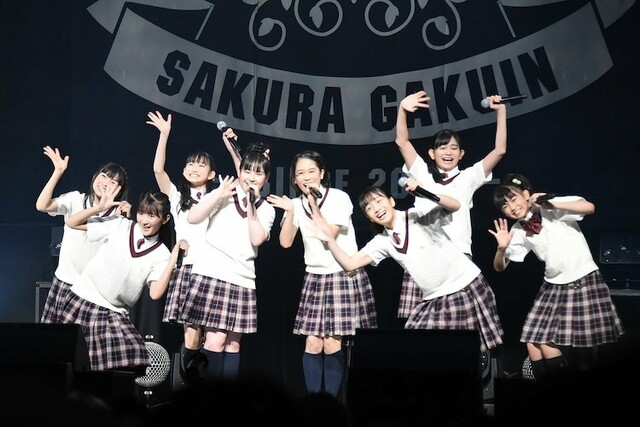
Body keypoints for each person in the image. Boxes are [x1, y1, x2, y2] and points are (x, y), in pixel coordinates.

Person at [312, 185, 504, 356]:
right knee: (419, 349)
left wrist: (423, 191)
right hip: (435, 299)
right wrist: (330, 241)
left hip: (464, 287)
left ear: (391, 201)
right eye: (369, 208)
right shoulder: (383, 241)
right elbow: (350, 264)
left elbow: (455, 205)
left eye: (379, 201)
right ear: (369, 217)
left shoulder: (416, 216)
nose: (376, 208)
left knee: (465, 356)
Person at [488, 173, 624, 380]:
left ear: (526, 194)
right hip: (553, 284)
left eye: (513, 199)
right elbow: (499, 267)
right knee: (533, 343)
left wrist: (551, 203)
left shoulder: (551, 206)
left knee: (573, 347)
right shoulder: (518, 230)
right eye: (505, 206)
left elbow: (589, 207)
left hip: (581, 278)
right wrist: (501, 248)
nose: (512, 207)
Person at [266, 150, 378, 397]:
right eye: (300, 173)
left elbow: (328, 233)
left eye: (311, 171)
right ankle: (315, 402)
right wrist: (291, 212)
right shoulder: (296, 204)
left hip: (341, 274)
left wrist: (312, 202)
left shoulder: (338, 197)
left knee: (331, 342)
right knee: (313, 342)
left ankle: (331, 403)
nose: (306, 177)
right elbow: (285, 242)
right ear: (295, 179)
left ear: (322, 173)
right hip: (315, 277)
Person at [394, 91, 507, 319]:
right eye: (442, 147)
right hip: (424, 256)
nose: (448, 152)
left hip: (457, 256)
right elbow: (402, 141)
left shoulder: (468, 177)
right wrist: (402, 109)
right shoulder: (422, 173)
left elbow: (499, 151)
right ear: (432, 153)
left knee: (459, 323)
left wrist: (501, 111)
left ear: (461, 153)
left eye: (454, 148)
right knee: (420, 325)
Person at [60, 188, 185, 373]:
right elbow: (72, 222)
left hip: (113, 312)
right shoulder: (121, 225)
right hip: (83, 300)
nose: (144, 220)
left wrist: (172, 260)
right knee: (71, 361)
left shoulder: (161, 254)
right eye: (141, 213)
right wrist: (99, 208)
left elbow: (155, 293)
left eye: (151, 216)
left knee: (134, 359)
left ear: (165, 219)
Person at [184, 138, 275, 381]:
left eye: (258, 173)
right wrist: (218, 196)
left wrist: (252, 205)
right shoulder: (225, 193)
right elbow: (193, 217)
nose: (251, 177)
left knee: (233, 344)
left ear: (266, 178)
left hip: (242, 278)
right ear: (240, 171)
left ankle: (227, 400)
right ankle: (209, 397)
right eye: (247, 171)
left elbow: (256, 238)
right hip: (213, 273)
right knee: (215, 340)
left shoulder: (266, 208)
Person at [146, 111, 218, 382]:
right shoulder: (177, 197)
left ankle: (212, 386)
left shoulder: (218, 196)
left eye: (201, 165)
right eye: (190, 164)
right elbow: (158, 171)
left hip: (214, 269)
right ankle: (189, 387)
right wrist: (164, 135)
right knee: (191, 334)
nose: (194, 167)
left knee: (214, 336)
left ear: (211, 174)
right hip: (188, 267)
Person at [36, 145, 129, 324]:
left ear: (120, 189)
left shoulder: (117, 217)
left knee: (84, 341)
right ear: (95, 176)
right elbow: (42, 206)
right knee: (52, 338)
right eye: (104, 176)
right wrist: (57, 172)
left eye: (113, 182)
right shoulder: (76, 199)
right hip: (64, 283)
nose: (105, 183)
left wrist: (122, 216)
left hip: (92, 292)